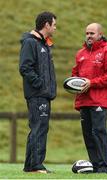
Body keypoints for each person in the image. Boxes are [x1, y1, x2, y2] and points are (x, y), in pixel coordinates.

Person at [72, 23, 107, 173]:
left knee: (99, 132)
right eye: (87, 33)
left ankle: (104, 167)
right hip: (84, 101)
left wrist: (91, 83)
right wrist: (75, 84)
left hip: (100, 100)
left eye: (92, 33)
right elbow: (75, 74)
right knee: (88, 134)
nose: (89, 36)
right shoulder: (80, 54)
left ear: (100, 34)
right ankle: (95, 165)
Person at [19, 11, 57, 173]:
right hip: (37, 94)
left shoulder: (44, 44)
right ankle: (35, 165)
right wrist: (40, 85)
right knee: (39, 128)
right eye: (54, 24)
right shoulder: (30, 43)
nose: (55, 28)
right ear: (46, 24)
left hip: (44, 94)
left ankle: (30, 165)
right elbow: (25, 68)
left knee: (40, 127)